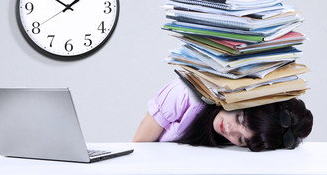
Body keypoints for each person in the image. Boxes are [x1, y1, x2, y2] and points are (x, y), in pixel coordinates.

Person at [133, 78, 313, 152]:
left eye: (241, 139)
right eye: (239, 118)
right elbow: (140, 148)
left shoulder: (237, 141)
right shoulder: (183, 94)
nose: (229, 130)